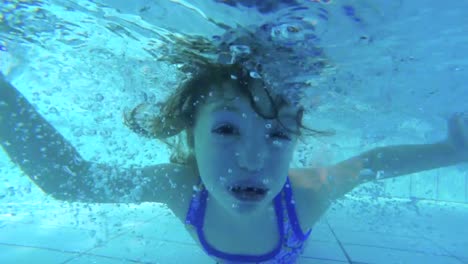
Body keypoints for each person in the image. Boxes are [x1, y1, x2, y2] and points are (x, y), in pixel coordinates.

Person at [1, 61, 467, 263]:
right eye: (226, 129)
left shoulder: (304, 196)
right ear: (192, 134)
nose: (252, 160)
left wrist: (451, 150)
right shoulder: (182, 186)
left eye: (279, 134)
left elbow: (368, 165)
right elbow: (74, 180)